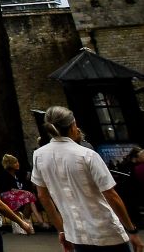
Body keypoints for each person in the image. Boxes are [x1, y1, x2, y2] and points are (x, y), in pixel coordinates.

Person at [32, 106, 142, 252]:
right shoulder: (87, 155)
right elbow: (111, 195)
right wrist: (131, 230)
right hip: (105, 231)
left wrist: (62, 230)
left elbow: (43, 196)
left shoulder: (39, 156)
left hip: (76, 233)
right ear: (73, 125)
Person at [0, 153, 43, 230]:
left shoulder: (18, 174)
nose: (18, 164)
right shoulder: (5, 175)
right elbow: (9, 189)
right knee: (28, 196)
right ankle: (38, 220)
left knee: (29, 198)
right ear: (10, 164)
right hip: (7, 195)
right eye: (15, 162)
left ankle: (29, 221)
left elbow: (25, 183)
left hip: (19, 195)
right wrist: (24, 192)